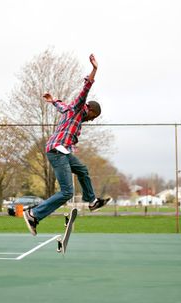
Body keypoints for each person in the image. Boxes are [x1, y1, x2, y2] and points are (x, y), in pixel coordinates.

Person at [23, 54, 111, 235]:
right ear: (91, 110)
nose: (92, 120)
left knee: (82, 170)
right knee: (66, 192)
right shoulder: (79, 108)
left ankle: (92, 201)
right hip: (57, 150)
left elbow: (61, 106)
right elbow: (85, 90)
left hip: (62, 150)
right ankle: (34, 214)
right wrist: (94, 69)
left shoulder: (69, 109)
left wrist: (52, 100)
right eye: (94, 117)